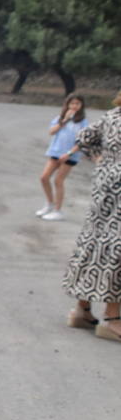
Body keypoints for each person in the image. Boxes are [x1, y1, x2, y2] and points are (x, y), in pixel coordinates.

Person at [63, 90, 121, 343]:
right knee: (116, 246)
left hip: (105, 183)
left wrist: (102, 158)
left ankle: (82, 310)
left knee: (95, 241)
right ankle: (112, 318)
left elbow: (84, 137)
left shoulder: (113, 115)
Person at [37, 93, 88, 220]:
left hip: (70, 155)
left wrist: (69, 153)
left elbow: (82, 141)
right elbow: (51, 132)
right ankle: (49, 204)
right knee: (44, 178)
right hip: (55, 152)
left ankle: (58, 210)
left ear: (81, 105)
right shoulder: (60, 118)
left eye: (77, 103)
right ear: (67, 104)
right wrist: (65, 120)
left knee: (58, 181)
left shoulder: (83, 122)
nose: (74, 106)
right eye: (72, 103)